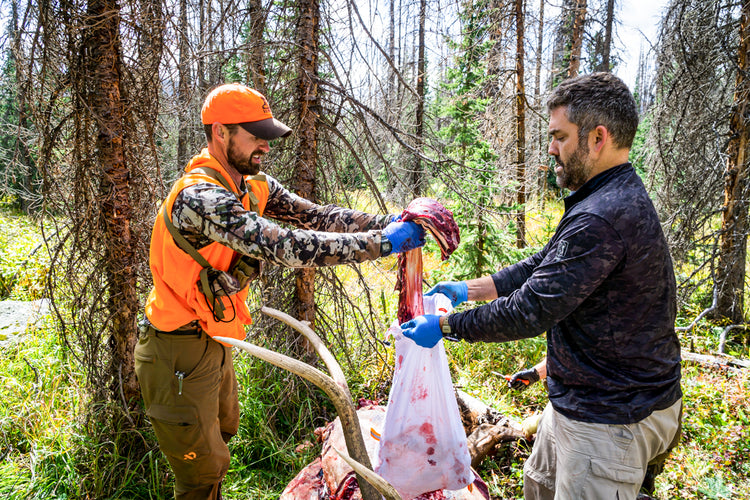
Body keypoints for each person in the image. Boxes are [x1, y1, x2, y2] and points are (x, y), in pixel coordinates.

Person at [135, 83, 425, 500]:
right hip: (174, 351)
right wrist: (381, 244)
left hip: (213, 341)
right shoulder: (198, 198)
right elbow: (283, 244)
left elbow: (317, 216)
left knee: (218, 446)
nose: (265, 147)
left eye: (267, 137)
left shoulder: (251, 185)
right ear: (220, 132)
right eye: (255, 136)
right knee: (198, 475)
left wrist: (390, 221)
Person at [401, 72, 682, 500]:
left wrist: (444, 328)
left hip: (611, 418)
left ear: (597, 138)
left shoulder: (602, 216)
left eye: (558, 136)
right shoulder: (605, 196)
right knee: (539, 485)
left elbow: (529, 310)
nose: (550, 147)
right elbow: (543, 265)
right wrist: (468, 289)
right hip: (582, 398)